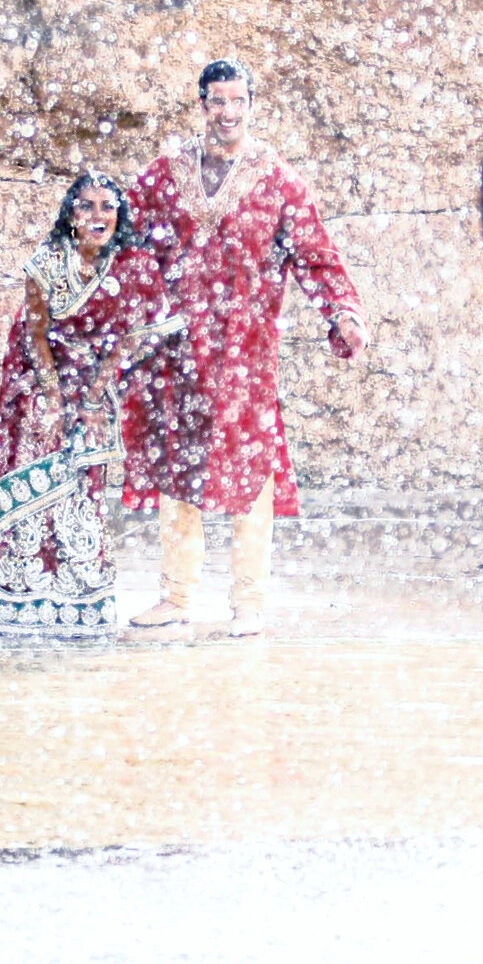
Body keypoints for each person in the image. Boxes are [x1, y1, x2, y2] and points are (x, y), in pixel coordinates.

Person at [124, 57, 369, 637]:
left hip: (245, 351)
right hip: (177, 351)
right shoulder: (165, 174)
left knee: (251, 470)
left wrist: (342, 310)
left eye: (238, 101)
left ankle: (248, 602)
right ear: (202, 105)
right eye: (218, 101)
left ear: (252, 105)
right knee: (176, 466)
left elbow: (315, 255)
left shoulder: (279, 181)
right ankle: (176, 596)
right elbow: (126, 240)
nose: (228, 112)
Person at [0, 172, 183, 639]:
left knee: (82, 493)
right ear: (70, 215)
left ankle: (80, 600)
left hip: (97, 384)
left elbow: (135, 336)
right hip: (41, 379)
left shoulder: (132, 265)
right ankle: (21, 598)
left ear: (121, 213)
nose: (98, 216)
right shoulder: (48, 262)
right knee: (37, 490)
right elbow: (35, 334)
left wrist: (94, 393)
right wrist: (52, 396)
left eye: (107, 206)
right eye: (87, 206)